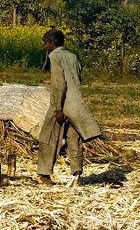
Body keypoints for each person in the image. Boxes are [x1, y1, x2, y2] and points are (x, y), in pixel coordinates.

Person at [37, 29, 102, 186]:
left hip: (62, 102)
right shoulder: (72, 56)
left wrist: (58, 108)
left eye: (46, 43)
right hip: (75, 102)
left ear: (52, 44)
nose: (46, 47)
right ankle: (77, 174)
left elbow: (59, 84)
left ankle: (44, 175)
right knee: (74, 137)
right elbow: (77, 78)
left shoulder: (54, 56)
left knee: (48, 136)